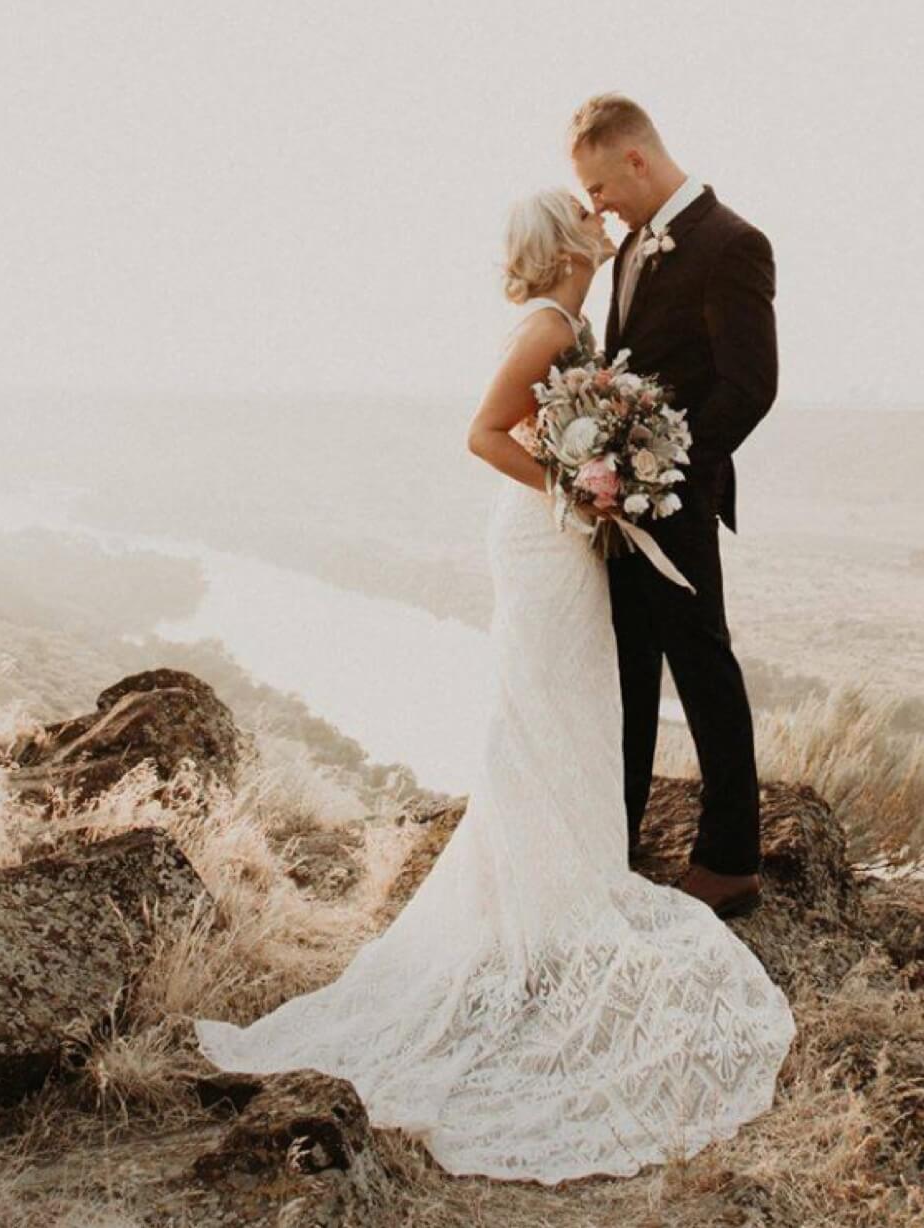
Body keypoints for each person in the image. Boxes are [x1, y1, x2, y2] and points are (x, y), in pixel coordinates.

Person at [190, 186, 793, 1185]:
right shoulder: (550, 325)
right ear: (563, 242)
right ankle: (543, 892)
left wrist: (602, 474)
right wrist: (579, 485)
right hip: (544, 536)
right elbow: (484, 432)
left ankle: (567, 871)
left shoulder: (577, 319)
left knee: (569, 711)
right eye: (587, 213)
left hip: (570, 537)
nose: (605, 224)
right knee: (542, 709)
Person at [568, 92, 777, 919]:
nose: (598, 206)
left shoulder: (733, 244)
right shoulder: (623, 255)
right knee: (626, 673)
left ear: (637, 160)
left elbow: (749, 387)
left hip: (676, 506)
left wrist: (663, 472)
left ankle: (731, 860)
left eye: (600, 187)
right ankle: (613, 837)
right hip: (621, 510)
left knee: (703, 670)